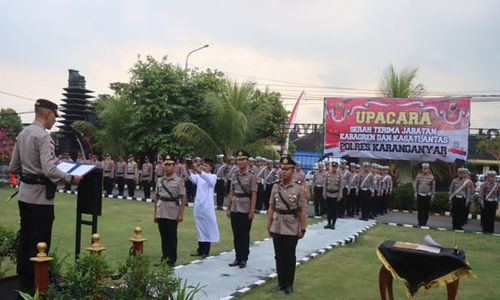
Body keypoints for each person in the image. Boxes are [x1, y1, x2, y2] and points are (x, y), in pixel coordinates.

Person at [8, 99, 82, 294]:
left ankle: (23, 285)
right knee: (40, 244)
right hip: (41, 199)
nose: (54, 121)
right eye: (53, 117)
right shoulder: (43, 137)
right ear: (47, 114)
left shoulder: (22, 134)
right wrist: (70, 177)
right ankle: (37, 288)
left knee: (25, 239)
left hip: (24, 196)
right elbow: (49, 170)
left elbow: (13, 167)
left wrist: (30, 170)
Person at [267, 156, 307, 294]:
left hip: (291, 227)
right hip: (277, 225)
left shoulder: (299, 189)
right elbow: (271, 207)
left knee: (290, 257)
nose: (283, 172)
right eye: (282, 169)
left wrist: (303, 228)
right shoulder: (275, 187)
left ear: (293, 170)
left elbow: (302, 210)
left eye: (287, 169)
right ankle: (280, 283)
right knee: (278, 256)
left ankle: (289, 284)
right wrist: (269, 224)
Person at [153, 154, 187, 266]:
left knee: (172, 236)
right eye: (165, 164)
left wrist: (181, 214)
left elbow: (183, 198)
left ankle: (172, 259)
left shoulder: (178, 181)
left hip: (172, 210)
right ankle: (164, 257)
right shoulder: (159, 180)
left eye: (169, 164)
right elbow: (156, 196)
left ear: (174, 165)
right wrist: (155, 214)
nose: (167, 167)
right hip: (161, 209)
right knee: (163, 236)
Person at [226, 150, 257, 268]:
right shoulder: (234, 175)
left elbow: (254, 194)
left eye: (243, 159)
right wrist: (228, 208)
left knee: (244, 234)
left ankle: (244, 258)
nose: (240, 161)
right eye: (239, 159)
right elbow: (231, 192)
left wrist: (252, 210)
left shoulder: (252, 176)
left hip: (245, 207)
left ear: (247, 161)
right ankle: (237, 257)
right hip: (235, 206)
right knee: (236, 234)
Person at [187, 158, 219, 257]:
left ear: (210, 167)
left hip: (207, 207)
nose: (204, 167)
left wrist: (198, 170)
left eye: (206, 165)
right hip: (199, 206)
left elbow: (207, 179)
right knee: (200, 228)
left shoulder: (213, 176)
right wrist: (187, 166)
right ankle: (200, 249)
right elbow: (189, 176)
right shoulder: (199, 176)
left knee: (207, 228)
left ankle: (206, 251)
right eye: (203, 165)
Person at [323, 161, 343, 229]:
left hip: (335, 195)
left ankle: (333, 224)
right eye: (333, 166)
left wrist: (340, 196)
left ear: (337, 168)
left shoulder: (339, 175)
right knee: (328, 210)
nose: (334, 168)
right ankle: (328, 223)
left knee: (334, 211)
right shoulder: (327, 174)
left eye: (335, 167)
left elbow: (341, 186)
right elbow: (325, 184)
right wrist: (324, 193)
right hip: (328, 194)